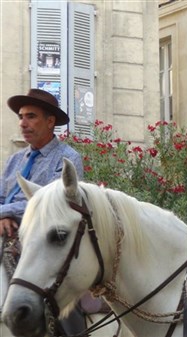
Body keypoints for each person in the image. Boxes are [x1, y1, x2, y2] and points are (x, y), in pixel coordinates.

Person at [0, 88, 86, 335]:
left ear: (50, 122)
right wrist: (3, 214)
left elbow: (48, 203)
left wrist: (5, 211)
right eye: (20, 116)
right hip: (8, 228)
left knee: (57, 283)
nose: (23, 123)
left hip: (44, 235)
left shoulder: (68, 158)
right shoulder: (15, 160)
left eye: (31, 116)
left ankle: (70, 332)